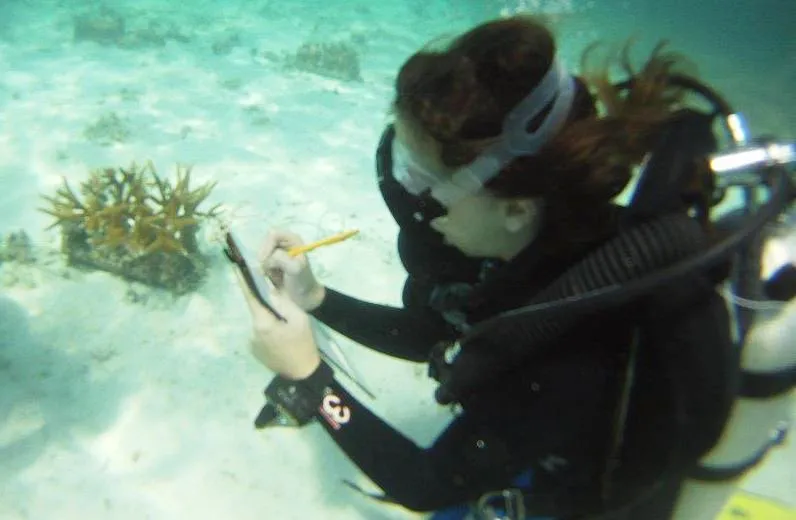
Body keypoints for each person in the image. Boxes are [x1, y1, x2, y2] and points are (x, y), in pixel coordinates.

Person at [233, 15, 740, 520]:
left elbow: (427, 484)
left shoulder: (574, 344)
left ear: (515, 208)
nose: (411, 200)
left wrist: (311, 377)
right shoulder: (526, 252)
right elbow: (439, 334)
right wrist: (316, 298)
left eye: (425, 180)